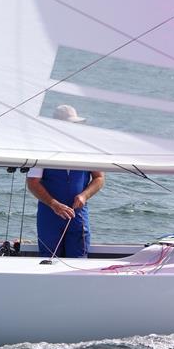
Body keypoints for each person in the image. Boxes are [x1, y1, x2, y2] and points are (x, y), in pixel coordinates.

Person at [27, 105, 105, 258]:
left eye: (75, 124)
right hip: (49, 215)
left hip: (78, 215)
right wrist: (54, 204)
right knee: (48, 259)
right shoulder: (43, 149)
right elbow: (32, 182)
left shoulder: (87, 149)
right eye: (69, 124)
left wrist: (84, 196)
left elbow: (99, 178)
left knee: (78, 259)